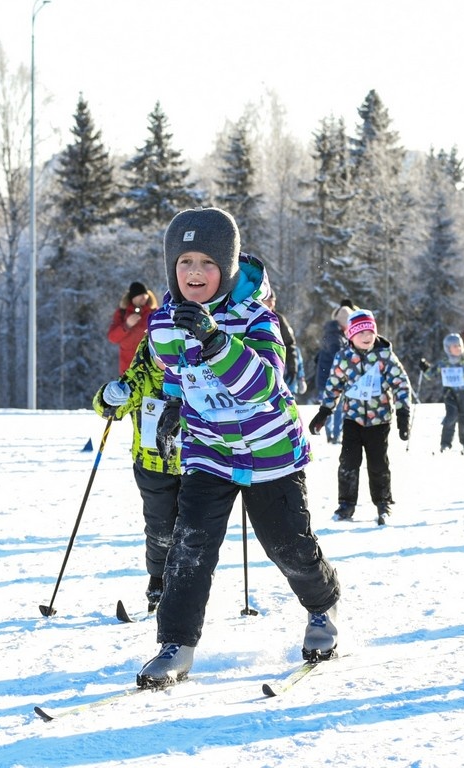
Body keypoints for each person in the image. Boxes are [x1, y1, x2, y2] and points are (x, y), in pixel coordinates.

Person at [137, 207, 340, 688]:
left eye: (207, 264)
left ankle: (321, 607)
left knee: (287, 545)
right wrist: (171, 404)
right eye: (184, 262)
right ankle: (176, 643)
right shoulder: (163, 323)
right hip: (209, 451)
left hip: (270, 449)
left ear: (226, 269)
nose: (194, 273)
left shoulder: (256, 321)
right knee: (190, 548)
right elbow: (174, 374)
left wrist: (214, 340)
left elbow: (266, 384)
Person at [92, 340, 180, 613]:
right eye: (160, 355)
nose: (165, 363)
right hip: (152, 467)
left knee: (193, 531)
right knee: (160, 529)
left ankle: (188, 587)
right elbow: (110, 409)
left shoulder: (195, 375)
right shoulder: (141, 376)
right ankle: (157, 582)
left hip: (196, 465)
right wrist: (108, 397)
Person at [309, 309, 413, 525]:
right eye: (361, 333)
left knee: (378, 463)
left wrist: (404, 413)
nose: (367, 337)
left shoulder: (385, 356)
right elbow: (333, 386)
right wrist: (325, 411)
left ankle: (384, 503)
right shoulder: (344, 358)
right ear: (350, 335)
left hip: (379, 420)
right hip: (352, 419)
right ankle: (346, 505)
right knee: (348, 462)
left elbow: (401, 384)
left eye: (370, 332)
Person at [427, 332, 464, 454]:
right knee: (451, 416)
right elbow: (430, 374)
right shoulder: (444, 362)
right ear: (448, 348)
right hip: (450, 393)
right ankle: (445, 443)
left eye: (459, 345)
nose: (458, 348)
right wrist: (425, 368)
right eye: (454, 346)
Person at [314, 303, 353, 444]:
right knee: (334, 408)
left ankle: (334, 435)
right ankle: (333, 436)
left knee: (334, 408)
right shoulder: (335, 337)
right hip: (330, 378)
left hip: (330, 377)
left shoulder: (334, 333)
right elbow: (338, 355)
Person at [107, 281, 160, 375]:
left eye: (145, 294)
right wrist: (126, 325)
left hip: (152, 366)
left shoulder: (154, 312)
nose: (143, 297)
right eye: (140, 295)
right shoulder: (122, 313)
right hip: (128, 368)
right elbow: (112, 337)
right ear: (132, 297)